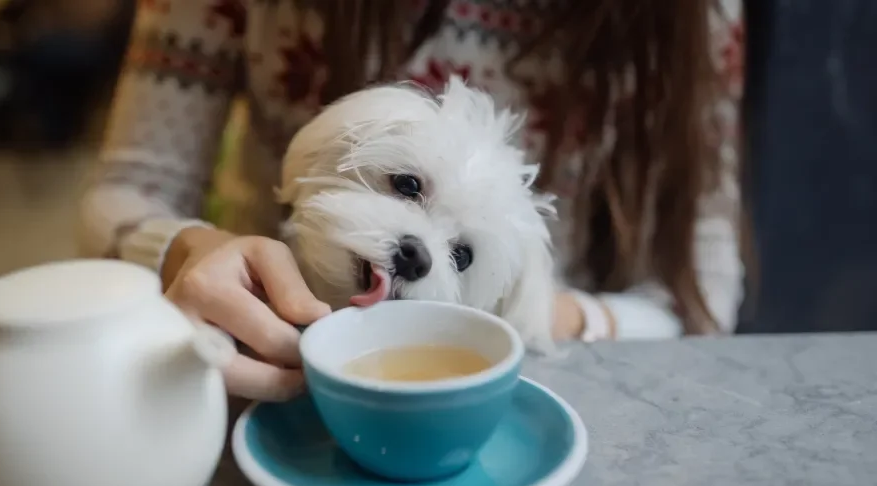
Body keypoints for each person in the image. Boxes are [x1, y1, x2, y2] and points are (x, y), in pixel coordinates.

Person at [79, 0, 747, 400]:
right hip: (250, 365)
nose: (417, 254)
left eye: (458, 253)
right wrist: (190, 251)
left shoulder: (694, 17)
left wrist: (553, 316)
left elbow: (703, 296)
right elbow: (126, 193)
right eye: (405, 187)